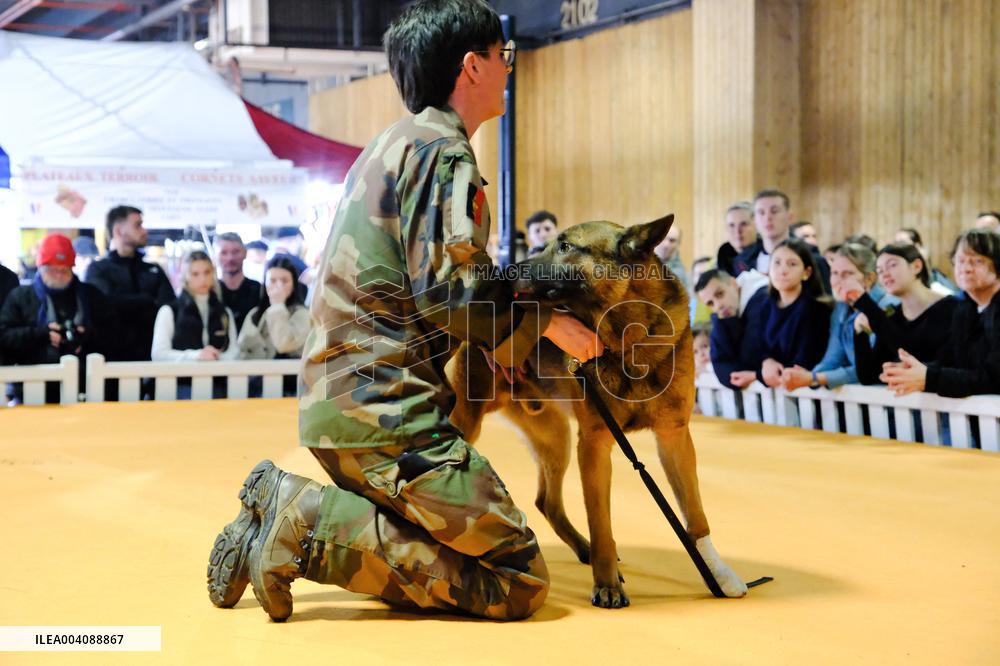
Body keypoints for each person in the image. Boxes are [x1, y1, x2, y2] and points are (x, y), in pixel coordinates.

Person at [207, 0, 603, 623]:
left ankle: (291, 524)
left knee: (450, 543)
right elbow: (452, 292)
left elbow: (424, 287)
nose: (508, 69)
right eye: (504, 56)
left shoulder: (394, 144)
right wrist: (549, 321)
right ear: (471, 66)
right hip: (388, 417)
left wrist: (497, 342)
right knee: (516, 578)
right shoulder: (445, 157)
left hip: (346, 402)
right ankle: (304, 522)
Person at [881, 230, 1000, 398]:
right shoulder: (964, 309)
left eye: (977, 261)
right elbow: (950, 360)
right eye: (960, 261)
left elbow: (993, 378)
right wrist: (914, 372)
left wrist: (929, 377)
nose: (965, 268)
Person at [0, 234, 114, 403]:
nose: (59, 276)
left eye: (64, 270)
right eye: (52, 270)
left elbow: (113, 335)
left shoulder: (91, 296)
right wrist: (41, 334)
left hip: (86, 384)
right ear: (41, 267)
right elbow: (5, 337)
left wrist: (87, 335)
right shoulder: (22, 297)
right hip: (32, 385)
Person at [781, 242, 894, 390]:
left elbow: (869, 367)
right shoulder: (841, 307)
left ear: (870, 278)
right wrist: (809, 377)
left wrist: (814, 378)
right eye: (834, 273)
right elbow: (833, 358)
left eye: (847, 274)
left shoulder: (888, 306)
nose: (838, 281)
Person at [845, 243, 958, 385]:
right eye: (879, 271)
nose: (885, 274)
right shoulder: (891, 315)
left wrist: (866, 305)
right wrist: (860, 334)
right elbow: (869, 376)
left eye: (892, 265)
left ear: (916, 266)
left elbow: (918, 357)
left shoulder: (953, 307)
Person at [85, 205, 175, 361]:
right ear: (118, 231)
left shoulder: (153, 269)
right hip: (110, 363)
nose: (144, 231)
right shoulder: (98, 270)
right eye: (137, 225)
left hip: (151, 359)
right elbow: (105, 306)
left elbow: (169, 307)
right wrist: (148, 300)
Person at [757, 239, 832, 388]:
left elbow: (806, 360)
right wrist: (767, 361)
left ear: (806, 272)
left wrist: (763, 374)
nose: (783, 270)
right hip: (773, 389)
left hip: (805, 391)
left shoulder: (815, 309)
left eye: (792, 264)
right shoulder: (764, 305)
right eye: (777, 263)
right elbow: (757, 347)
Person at [151, 250, 238, 363]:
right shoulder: (169, 311)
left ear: (213, 273)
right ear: (185, 276)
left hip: (218, 379)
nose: (202, 279)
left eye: (207, 272)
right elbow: (159, 354)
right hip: (181, 379)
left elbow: (235, 353)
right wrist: (196, 356)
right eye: (195, 274)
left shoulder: (224, 312)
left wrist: (215, 358)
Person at [734, 189, 831, 288]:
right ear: (754, 221)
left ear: (790, 217)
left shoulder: (813, 259)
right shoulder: (742, 261)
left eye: (774, 211)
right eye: (761, 212)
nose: (768, 218)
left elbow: (824, 300)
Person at [695, 267, 769, 389]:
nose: (718, 305)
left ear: (734, 283)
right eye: (710, 303)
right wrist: (727, 321)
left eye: (720, 294)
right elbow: (727, 374)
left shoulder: (762, 298)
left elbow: (750, 362)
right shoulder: (725, 314)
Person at [238, 256, 310, 360]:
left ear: (294, 284)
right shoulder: (255, 314)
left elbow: (284, 345)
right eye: (272, 280)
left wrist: (277, 305)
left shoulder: (302, 314)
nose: (278, 286)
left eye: (284, 281)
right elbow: (242, 348)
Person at [216, 232, 261, 331]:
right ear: (216, 256)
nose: (230, 258)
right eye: (224, 253)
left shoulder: (259, 290)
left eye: (235, 252)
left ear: (245, 253)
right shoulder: (210, 291)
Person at [893, 227, 957, 295]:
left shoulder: (935, 281)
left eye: (902, 242)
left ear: (917, 246)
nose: (898, 246)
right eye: (896, 243)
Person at [716, 202, 757, 276]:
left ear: (756, 225)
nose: (737, 231)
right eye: (732, 225)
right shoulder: (722, 257)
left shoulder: (767, 255)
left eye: (743, 224)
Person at [654, 224, 689, 290]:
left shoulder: (681, 275)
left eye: (672, 240)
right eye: (663, 238)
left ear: (678, 244)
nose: (666, 245)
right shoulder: (638, 265)